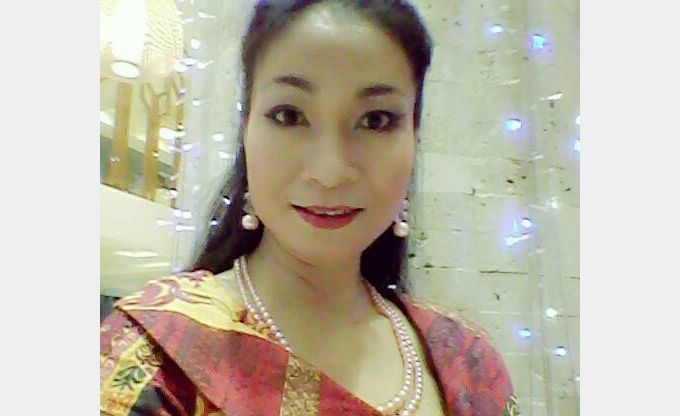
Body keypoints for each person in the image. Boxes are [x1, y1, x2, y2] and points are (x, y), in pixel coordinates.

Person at [100, 0, 519, 415]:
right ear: (246, 130)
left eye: (375, 120)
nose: (330, 172)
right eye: (289, 115)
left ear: (414, 136)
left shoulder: (467, 363)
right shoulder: (156, 357)